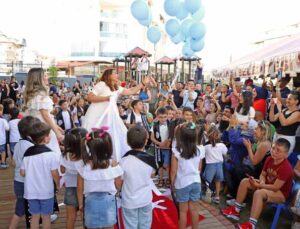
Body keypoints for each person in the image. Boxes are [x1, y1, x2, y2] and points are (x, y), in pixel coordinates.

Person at [222, 138, 293, 229]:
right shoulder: (269, 159)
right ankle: (236, 210)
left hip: (281, 193)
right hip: (267, 186)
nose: (274, 151)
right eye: (273, 148)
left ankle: (251, 225)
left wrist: (259, 185)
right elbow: (263, 174)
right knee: (245, 182)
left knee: (259, 193)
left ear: (286, 155)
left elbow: (275, 187)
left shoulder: (286, 167)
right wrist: (261, 181)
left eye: (278, 151)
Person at [83, 68, 150, 161]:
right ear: (109, 75)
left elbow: (132, 91)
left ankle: (111, 159)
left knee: (114, 136)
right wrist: (106, 98)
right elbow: (89, 97)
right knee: (94, 136)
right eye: (115, 73)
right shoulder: (101, 84)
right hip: (97, 115)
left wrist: (143, 83)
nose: (117, 75)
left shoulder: (116, 87)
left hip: (111, 116)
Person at [77, 128, 123, 229]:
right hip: (108, 201)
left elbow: (80, 188)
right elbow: (118, 185)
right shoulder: (113, 164)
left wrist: (80, 204)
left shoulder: (84, 165)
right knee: (109, 226)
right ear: (108, 147)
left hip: (90, 202)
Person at [20, 122, 60, 229]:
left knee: (34, 216)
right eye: (49, 134)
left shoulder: (28, 153)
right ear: (46, 138)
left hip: (31, 191)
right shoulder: (51, 155)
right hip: (46, 192)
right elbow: (54, 174)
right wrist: (58, 184)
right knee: (46, 217)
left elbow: (22, 173)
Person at [120, 125, 157, 229]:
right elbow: (152, 173)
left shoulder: (123, 161)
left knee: (130, 226)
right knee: (145, 225)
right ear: (146, 141)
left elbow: (121, 180)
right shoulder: (150, 159)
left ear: (127, 142)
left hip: (129, 201)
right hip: (145, 199)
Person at [170, 122, 205, 229]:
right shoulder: (200, 149)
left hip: (182, 184)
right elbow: (199, 168)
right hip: (196, 182)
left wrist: (172, 184)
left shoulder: (177, 151)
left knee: (183, 212)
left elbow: (173, 171)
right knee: (194, 210)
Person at [23, 68, 64, 158]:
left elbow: (44, 115)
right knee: (52, 156)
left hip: (39, 129)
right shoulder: (40, 96)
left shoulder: (34, 95)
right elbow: (45, 116)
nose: (47, 77)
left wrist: (56, 127)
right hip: (45, 131)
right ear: (39, 79)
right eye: (45, 75)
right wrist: (57, 132)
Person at [9, 116, 40, 229]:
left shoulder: (18, 144)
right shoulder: (31, 147)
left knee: (22, 206)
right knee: (20, 209)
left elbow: (13, 162)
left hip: (17, 181)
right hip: (26, 183)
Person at [60, 128, 87, 229]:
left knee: (70, 217)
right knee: (84, 216)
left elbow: (62, 170)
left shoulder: (65, 155)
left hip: (70, 188)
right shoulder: (85, 157)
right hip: (84, 189)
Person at [269, 91, 300, 155]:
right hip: (277, 136)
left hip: (287, 138)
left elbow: (284, 123)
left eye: (290, 99)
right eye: (287, 98)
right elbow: (272, 119)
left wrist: (279, 109)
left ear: (296, 101)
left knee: (281, 158)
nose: (287, 100)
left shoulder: (297, 113)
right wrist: (272, 107)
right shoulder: (285, 110)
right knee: (273, 155)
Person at [203, 125, 228, 204]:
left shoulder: (206, 146)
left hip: (210, 166)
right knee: (218, 181)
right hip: (219, 166)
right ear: (218, 135)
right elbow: (225, 153)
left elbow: (203, 156)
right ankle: (217, 196)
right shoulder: (222, 145)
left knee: (207, 181)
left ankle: (208, 195)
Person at [151, 107, 171, 187]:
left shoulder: (170, 124)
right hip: (158, 148)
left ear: (167, 116)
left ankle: (168, 178)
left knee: (167, 164)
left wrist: (166, 143)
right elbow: (152, 137)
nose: (163, 119)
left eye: (164, 117)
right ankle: (161, 178)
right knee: (159, 164)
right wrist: (159, 143)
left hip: (168, 148)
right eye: (160, 117)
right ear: (157, 117)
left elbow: (171, 136)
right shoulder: (154, 125)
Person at [0, 104, 9, 168]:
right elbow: (7, 128)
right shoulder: (3, 120)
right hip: (1, 140)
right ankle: (3, 163)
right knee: (3, 151)